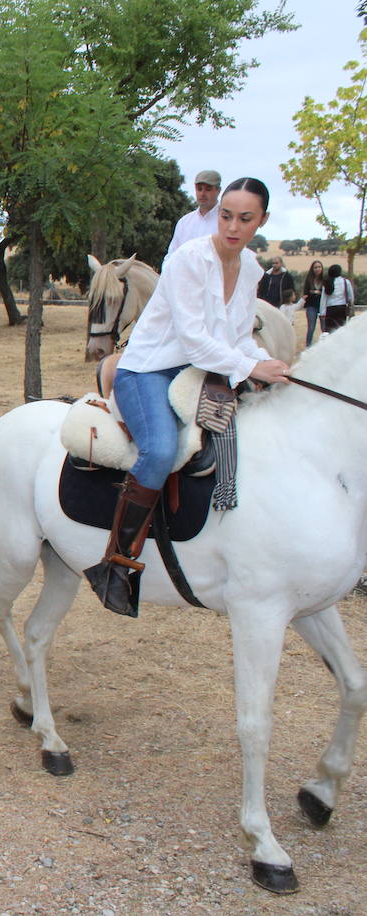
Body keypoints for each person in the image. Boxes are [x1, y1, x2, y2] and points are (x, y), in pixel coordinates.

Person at [87, 177, 290, 617]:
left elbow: (238, 338)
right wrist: (250, 366)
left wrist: (270, 364)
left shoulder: (251, 268)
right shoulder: (189, 260)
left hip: (201, 369)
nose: (233, 227)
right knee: (160, 450)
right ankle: (116, 562)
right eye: (226, 216)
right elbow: (195, 338)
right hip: (149, 369)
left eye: (245, 218)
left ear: (263, 221)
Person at [167, 169, 221, 258]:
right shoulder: (184, 222)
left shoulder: (227, 222)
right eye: (199, 189)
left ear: (218, 190)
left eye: (208, 189)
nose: (202, 193)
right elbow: (172, 255)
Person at [321, 264, 355, 334]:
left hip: (330, 308)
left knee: (330, 330)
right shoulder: (346, 282)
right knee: (341, 329)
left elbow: (323, 299)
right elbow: (351, 297)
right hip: (342, 308)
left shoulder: (327, 283)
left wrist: (322, 312)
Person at [301, 260, 325, 346]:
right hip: (311, 305)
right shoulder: (309, 280)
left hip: (322, 306)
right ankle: (308, 345)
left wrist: (316, 292)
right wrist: (315, 292)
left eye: (319, 267)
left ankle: (325, 345)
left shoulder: (325, 279)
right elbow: (306, 292)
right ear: (312, 269)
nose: (317, 269)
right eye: (315, 267)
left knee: (324, 327)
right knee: (311, 327)